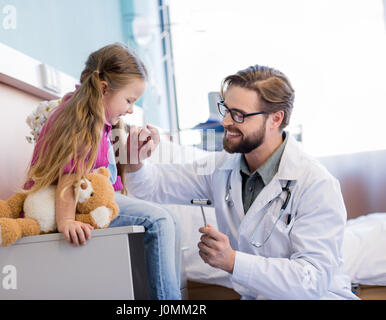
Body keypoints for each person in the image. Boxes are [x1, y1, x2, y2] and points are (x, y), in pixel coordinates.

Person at [124, 65, 359, 300]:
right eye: (225, 110)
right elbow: (151, 186)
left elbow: (311, 281)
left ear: (275, 119)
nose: (225, 121)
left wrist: (233, 261)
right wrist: (135, 161)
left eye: (239, 115)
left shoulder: (316, 184)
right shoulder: (221, 168)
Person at [23, 43, 181, 300]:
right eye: (129, 100)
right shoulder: (81, 119)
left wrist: (134, 157)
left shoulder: (97, 118)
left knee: (170, 219)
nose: (130, 109)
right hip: (71, 204)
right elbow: (70, 175)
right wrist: (66, 221)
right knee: (160, 221)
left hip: (91, 200)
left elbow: (105, 179)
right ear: (104, 89)